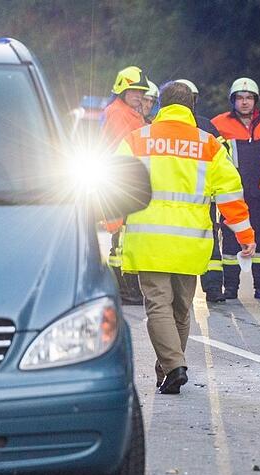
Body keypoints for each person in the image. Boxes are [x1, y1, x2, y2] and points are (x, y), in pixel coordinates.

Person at [115, 81, 255, 394]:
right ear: (190, 106)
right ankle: (168, 371)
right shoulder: (208, 144)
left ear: (161, 104)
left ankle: (174, 366)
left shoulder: (137, 139)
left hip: (148, 241)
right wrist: (244, 234)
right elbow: (230, 193)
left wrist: (109, 220)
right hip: (190, 244)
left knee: (158, 307)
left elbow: (114, 183)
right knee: (180, 309)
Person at [212, 78, 260, 300]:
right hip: (233, 194)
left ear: (256, 100)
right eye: (240, 98)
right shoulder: (219, 123)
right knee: (230, 241)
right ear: (233, 100)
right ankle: (230, 287)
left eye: (249, 98)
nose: (244, 102)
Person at [102, 65, 150, 306]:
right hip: (123, 179)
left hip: (126, 179)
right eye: (134, 91)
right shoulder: (119, 113)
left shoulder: (129, 112)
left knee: (123, 235)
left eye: (141, 92)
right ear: (122, 90)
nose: (138, 95)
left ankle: (126, 287)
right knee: (121, 237)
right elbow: (127, 147)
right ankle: (126, 289)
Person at [177, 78, 228, 303]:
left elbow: (224, 159)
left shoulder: (207, 127)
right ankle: (179, 288)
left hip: (204, 196)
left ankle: (214, 287)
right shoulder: (162, 127)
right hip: (175, 197)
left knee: (210, 241)